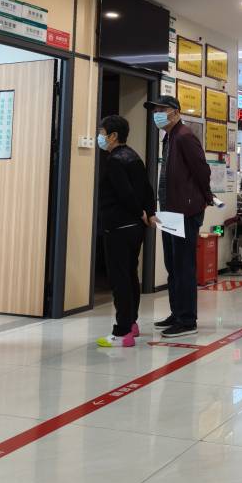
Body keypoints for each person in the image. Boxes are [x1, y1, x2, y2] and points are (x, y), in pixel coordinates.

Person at [144, 95, 213, 338]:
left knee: (184, 266)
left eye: (161, 110)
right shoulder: (169, 137)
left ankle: (187, 320)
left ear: (175, 112)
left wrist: (205, 197)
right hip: (169, 211)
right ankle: (177, 313)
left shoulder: (184, 136)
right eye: (155, 110)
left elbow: (202, 170)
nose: (157, 114)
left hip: (185, 211)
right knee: (173, 265)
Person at [95, 114, 155, 349]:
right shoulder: (133, 156)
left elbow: (125, 193)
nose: (100, 137)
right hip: (134, 229)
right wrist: (148, 213)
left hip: (119, 227)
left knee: (119, 279)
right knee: (130, 275)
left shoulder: (114, 160)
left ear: (113, 136)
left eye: (102, 133)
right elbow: (147, 189)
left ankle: (122, 332)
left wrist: (139, 211)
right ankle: (132, 323)